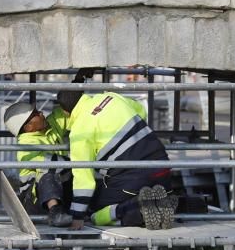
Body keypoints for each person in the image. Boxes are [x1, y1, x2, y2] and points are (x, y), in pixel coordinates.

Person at [58, 90, 177, 230]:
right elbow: (141, 110)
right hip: (162, 167)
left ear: (65, 112)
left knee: (94, 211)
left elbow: (84, 180)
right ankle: (162, 202)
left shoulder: (79, 131)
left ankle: (139, 210)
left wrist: (77, 216)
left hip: (133, 180)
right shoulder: (110, 97)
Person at [3, 101, 75, 227]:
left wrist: (76, 84)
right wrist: (80, 162)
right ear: (28, 127)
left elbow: (63, 111)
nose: (41, 113)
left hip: (59, 188)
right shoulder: (26, 145)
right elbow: (51, 162)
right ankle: (55, 212)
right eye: (36, 113)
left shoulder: (49, 127)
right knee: (47, 172)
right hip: (34, 202)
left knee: (77, 173)